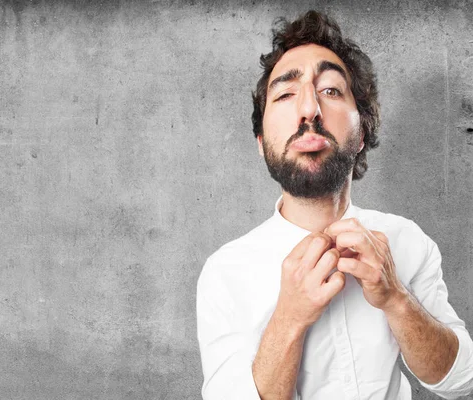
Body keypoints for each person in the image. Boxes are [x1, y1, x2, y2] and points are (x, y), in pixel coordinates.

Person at [196, 10, 473, 400]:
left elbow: (462, 383)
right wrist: (289, 318)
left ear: (362, 133)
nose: (309, 109)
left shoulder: (407, 241)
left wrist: (396, 297)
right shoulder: (224, 273)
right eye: (286, 94)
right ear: (261, 145)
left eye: (330, 90)